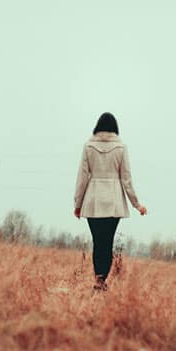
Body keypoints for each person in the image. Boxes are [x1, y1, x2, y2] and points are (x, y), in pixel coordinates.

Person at [74, 112, 147, 291]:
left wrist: (77, 204)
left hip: (93, 201)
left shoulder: (88, 147)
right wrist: (137, 204)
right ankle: (102, 281)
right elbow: (126, 179)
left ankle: (99, 280)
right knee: (107, 242)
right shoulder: (121, 148)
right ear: (115, 128)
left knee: (97, 242)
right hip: (113, 201)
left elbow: (82, 177)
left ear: (97, 127)